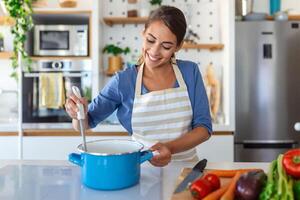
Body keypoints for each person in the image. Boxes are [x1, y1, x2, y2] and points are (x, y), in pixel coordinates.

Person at [65, 5, 212, 167]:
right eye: (150, 40)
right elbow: (84, 124)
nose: (155, 51)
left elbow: (203, 129)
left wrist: (170, 148)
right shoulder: (123, 81)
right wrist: (77, 113)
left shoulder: (190, 72)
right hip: (140, 173)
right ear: (143, 33)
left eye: (166, 46)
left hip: (186, 172)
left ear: (178, 46)